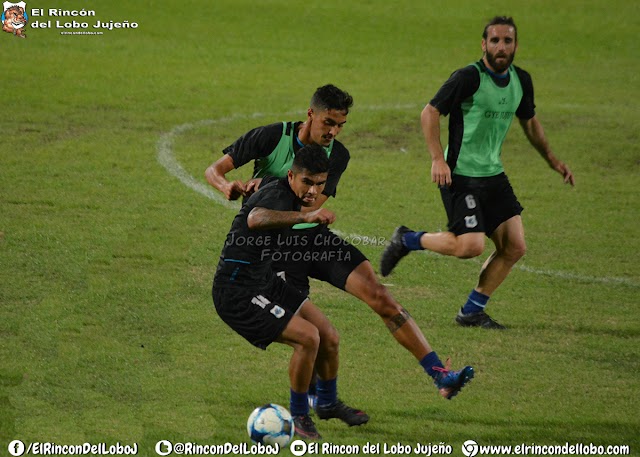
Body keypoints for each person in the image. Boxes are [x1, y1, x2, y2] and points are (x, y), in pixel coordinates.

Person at [206, 85, 474, 416]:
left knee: (380, 296)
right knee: (311, 334)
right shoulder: (271, 137)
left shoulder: (338, 156)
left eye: (340, 125)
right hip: (273, 247)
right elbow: (214, 170)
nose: (333, 132)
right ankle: (321, 400)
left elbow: (311, 204)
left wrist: (266, 192)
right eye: (328, 122)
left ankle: (440, 375)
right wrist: (227, 185)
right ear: (311, 115)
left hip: (312, 237)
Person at [380, 16, 575, 330]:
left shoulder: (521, 81)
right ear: (484, 45)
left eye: (507, 41)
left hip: (493, 175)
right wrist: (436, 159)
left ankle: (471, 312)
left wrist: (553, 160)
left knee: (514, 247)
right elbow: (430, 112)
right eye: (495, 41)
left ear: (515, 46)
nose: (501, 47)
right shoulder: (468, 77)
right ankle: (408, 239)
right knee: (470, 247)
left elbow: (530, 122)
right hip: (460, 175)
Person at [212, 146, 365, 440]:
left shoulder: (285, 192)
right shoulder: (279, 196)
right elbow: (255, 219)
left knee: (328, 335)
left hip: (263, 280)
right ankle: (298, 416)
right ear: (292, 175)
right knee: (308, 338)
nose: (313, 190)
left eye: (320, 184)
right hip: (237, 291)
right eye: (307, 182)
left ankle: (328, 402)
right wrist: (306, 215)